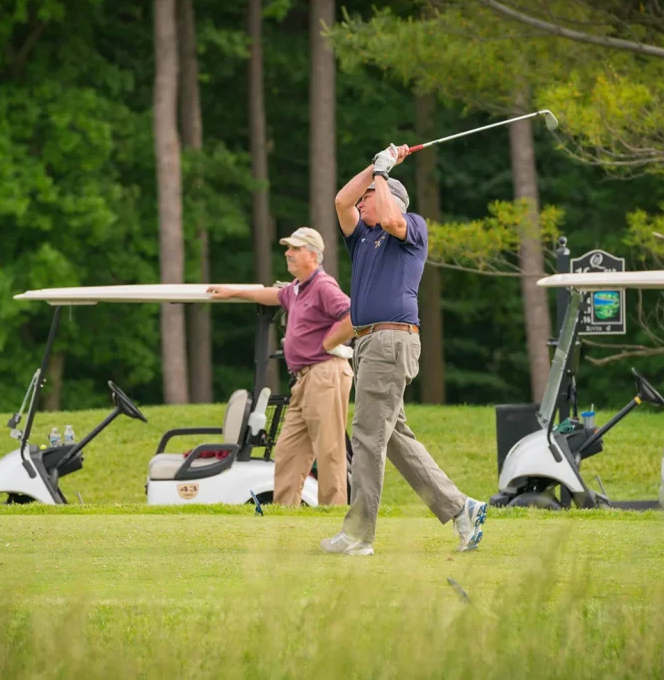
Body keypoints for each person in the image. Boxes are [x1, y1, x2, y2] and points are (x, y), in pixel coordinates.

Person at [318, 142, 487, 556]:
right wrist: (375, 164)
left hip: (390, 341)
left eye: (370, 196)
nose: (362, 201)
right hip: (370, 343)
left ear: (389, 198)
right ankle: (460, 508)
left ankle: (358, 536)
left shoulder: (411, 226)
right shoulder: (362, 239)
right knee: (391, 436)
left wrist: (383, 173)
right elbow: (341, 201)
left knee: (367, 437)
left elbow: (392, 218)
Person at [208, 227, 353, 506]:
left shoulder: (323, 286)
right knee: (288, 450)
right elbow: (271, 296)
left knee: (329, 450)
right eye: (288, 248)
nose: (288, 253)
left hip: (325, 373)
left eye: (295, 249)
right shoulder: (296, 289)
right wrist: (233, 292)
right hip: (304, 379)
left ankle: (333, 516)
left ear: (313, 255)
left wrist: (328, 341)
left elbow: (352, 315)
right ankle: (285, 515)